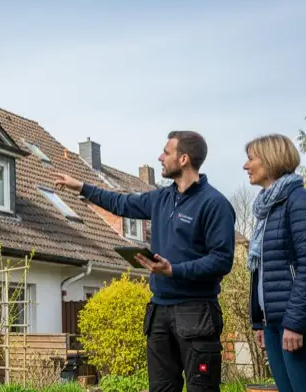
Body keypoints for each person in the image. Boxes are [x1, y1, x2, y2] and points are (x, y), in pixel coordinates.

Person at [55, 130, 236, 392]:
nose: (160, 157)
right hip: (159, 313)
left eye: (166, 152)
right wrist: (82, 187)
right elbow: (120, 202)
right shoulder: (161, 198)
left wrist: (174, 270)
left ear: (184, 158)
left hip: (196, 312)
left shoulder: (214, 204)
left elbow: (222, 261)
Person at [243, 134, 306, 392]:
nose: (245, 166)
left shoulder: (301, 203)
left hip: (302, 326)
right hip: (276, 324)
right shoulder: (268, 210)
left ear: (270, 160)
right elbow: (262, 271)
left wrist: (295, 323)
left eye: (250, 158)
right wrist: (259, 322)